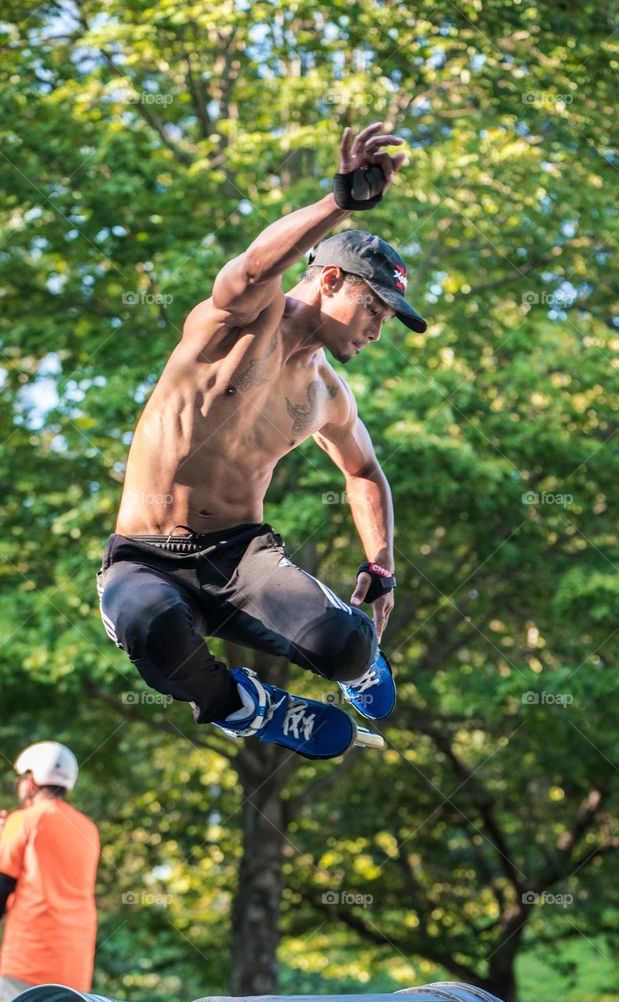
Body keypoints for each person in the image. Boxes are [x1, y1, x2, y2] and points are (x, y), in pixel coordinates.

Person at [97, 121, 427, 760]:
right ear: (330, 280)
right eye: (374, 311)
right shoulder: (239, 324)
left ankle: (358, 666)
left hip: (241, 559)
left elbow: (365, 473)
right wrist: (339, 203)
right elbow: (253, 265)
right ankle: (242, 707)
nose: (376, 332)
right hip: (145, 558)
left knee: (347, 643)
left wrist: (381, 566)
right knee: (150, 624)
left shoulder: (326, 393)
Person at [0, 741, 101, 1002]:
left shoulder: (23, 820)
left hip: (27, 961)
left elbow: (0, 889)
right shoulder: (89, 828)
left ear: (30, 781)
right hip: (75, 968)